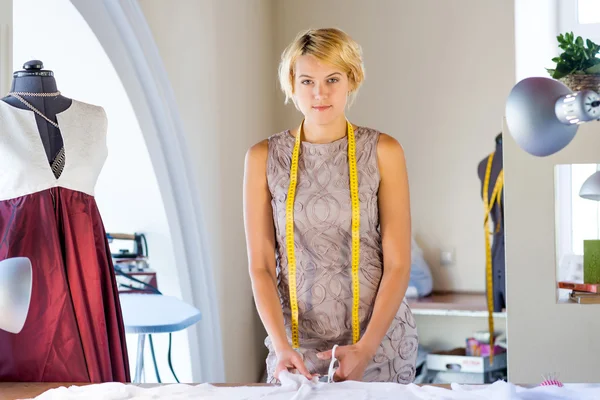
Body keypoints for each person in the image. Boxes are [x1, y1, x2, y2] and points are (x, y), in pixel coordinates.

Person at [243, 27, 417, 384]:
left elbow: (398, 264)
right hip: (295, 350)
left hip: (377, 344)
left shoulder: (384, 152)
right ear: (291, 85)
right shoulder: (263, 157)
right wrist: (280, 346)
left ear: (352, 80)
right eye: (306, 81)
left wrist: (366, 348)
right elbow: (260, 267)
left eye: (332, 79)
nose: (319, 93)